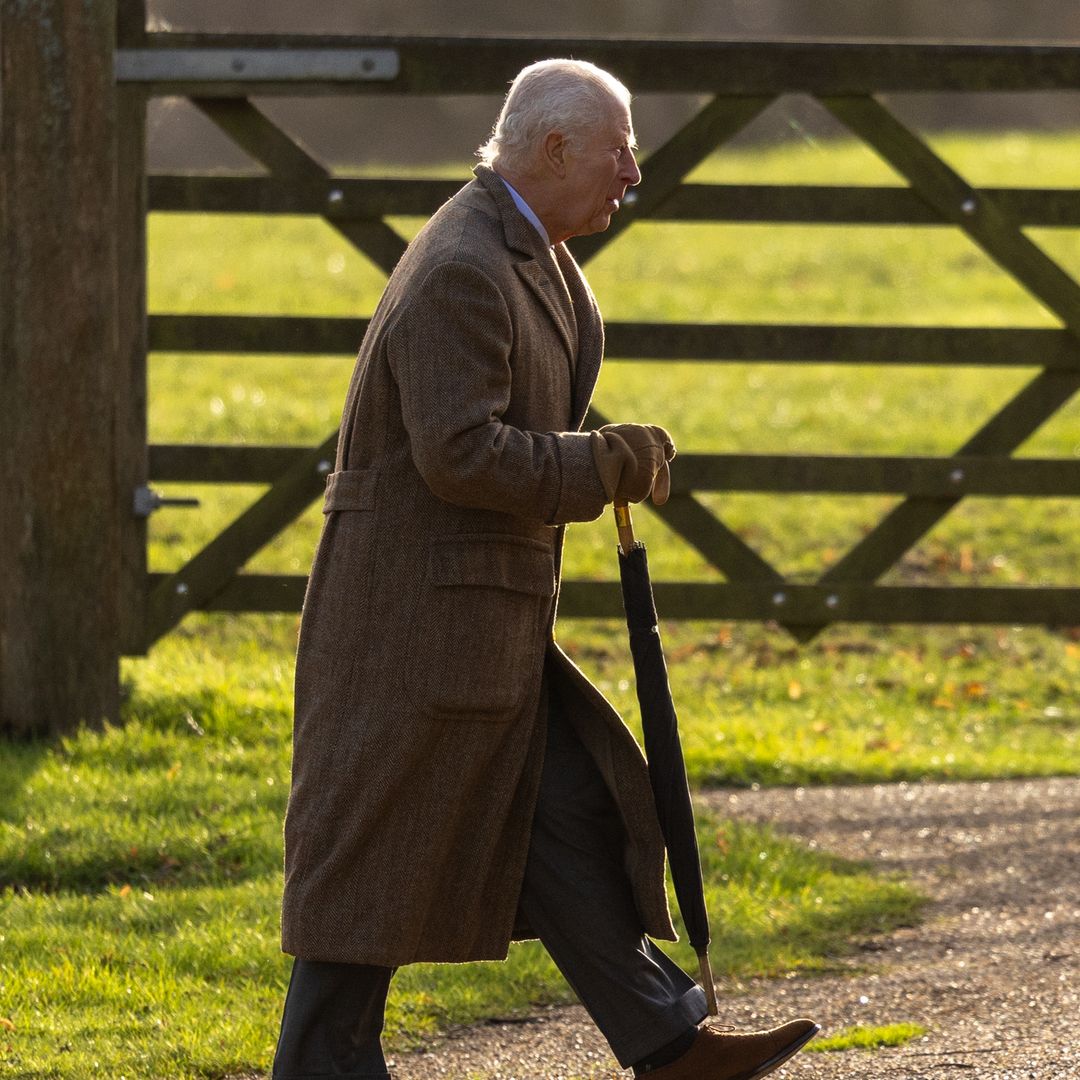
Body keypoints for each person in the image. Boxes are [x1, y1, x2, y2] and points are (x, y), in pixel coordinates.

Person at [273, 59, 818, 1080]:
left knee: (565, 812)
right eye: (618, 151)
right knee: (365, 882)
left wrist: (590, 459)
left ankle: (668, 1043)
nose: (632, 173)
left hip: (480, 626)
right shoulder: (466, 269)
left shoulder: (533, 253)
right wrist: (601, 462)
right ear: (554, 148)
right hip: (414, 635)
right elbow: (459, 454)